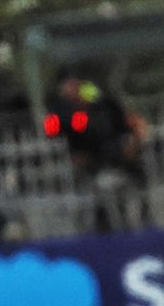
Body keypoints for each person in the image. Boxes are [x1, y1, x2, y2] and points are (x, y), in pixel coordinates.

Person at [48, 75, 151, 232]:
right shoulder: (69, 115)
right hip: (93, 162)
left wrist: (133, 144)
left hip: (119, 157)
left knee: (136, 179)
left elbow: (129, 124)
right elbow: (56, 132)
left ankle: (143, 217)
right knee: (99, 193)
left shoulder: (104, 108)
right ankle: (103, 224)